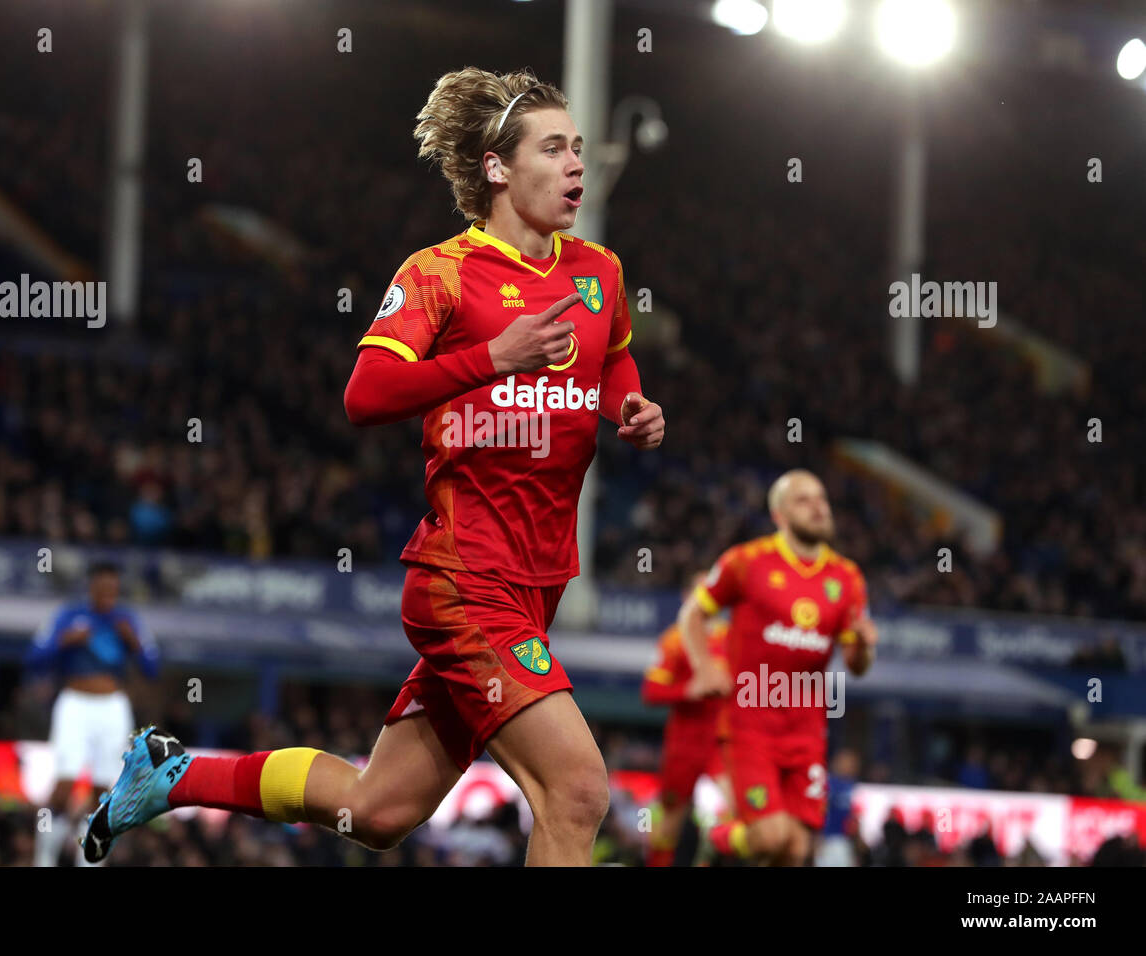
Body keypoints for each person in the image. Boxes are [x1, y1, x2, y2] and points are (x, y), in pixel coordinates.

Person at [82, 67, 664, 867]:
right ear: (496, 166)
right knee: (576, 791)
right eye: (555, 147)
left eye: (579, 149)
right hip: (465, 578)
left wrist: (628, 408)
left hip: (540, 584)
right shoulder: (439, 275)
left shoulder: (600, 273)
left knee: (377, 808)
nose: (577, 165)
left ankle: (173, 776)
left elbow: (614, 363)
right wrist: (494, 355)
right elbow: (365, 393)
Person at [679, 469, 877, 866]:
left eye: (822, 498)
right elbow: (692, 614)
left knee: (797, 850)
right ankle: (717, 837)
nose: (819, 507)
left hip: (807, 731)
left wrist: (865, 647)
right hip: (749, 726)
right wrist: (704, 667)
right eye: (804, 500)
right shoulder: (746, 561)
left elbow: (856, 666)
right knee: (770, 838)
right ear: (779, 515)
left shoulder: (847, 577)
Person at [26, 560, 158, 865]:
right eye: (102, 587)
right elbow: (34, 657)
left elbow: (153, 668)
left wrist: (134, 643)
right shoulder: (69, 616)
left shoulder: (128, 620)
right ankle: (43, 858)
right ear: (91, 587)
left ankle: (90, 862)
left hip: (113, 707)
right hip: (74, 703)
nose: (107, 594)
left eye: (113, 588)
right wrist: (66, 641)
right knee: (64, 783)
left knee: (104, 790)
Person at [640, 573, 731, 866]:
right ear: (686, 597)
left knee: (739, 808)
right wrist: (687, 691)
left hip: (722, 741)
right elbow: (650, 691)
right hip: (684, 742)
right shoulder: (674, 640)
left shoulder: (730, 638)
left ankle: (711, 857)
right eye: (701, 591)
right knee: (671, 819)